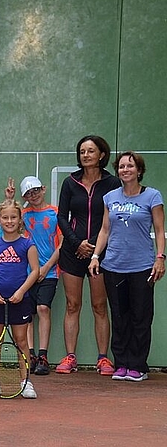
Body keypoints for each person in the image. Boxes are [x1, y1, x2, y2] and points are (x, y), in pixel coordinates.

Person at [89, 151, 165, 382]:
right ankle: (121, 364)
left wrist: (160, 257)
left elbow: (160, 230)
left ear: (139, 170)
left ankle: (138, 366)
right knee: (119, 316)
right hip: (113, 265)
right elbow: (104, 230)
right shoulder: (110, 197)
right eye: (121, 166)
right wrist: (95, 256)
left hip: (142, 266)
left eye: (130, 166)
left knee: (140, 317)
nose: (125, 170)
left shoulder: (152, 196)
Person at [56, 135, 121, 375]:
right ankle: (70, 357)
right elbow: (62, 217)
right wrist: (77, 243)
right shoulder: (70, 182)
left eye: (91, 151)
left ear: (102, 154)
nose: (86, 155)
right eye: (82, 151)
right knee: (73, 305)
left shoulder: (113, 183)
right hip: (73, 252)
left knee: (99, 306)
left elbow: (113, 218)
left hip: (101, 254)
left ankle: (103, 358)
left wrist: (94, 246)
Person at [0, 200, 39, 399]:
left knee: (22, 342)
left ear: (20, 219)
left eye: (13, 217)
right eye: (5, 217)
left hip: (20, 301)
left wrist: (21, 292)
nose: (9, 221)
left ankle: (26, 382)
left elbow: (35, 271)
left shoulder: (27, 244)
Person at [15, 176, 62, 376]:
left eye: (35, 191)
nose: (33, 196)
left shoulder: (55, 213)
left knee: (43, 308)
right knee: (27, 315)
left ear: (43, 189)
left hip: (49, 272)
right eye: (28, 193)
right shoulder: (22, 215)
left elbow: (62, 243)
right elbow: (7, 224)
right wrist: (10, 200)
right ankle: (30, 355)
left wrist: (46, 267)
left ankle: (43, 355)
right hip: (26, 274)